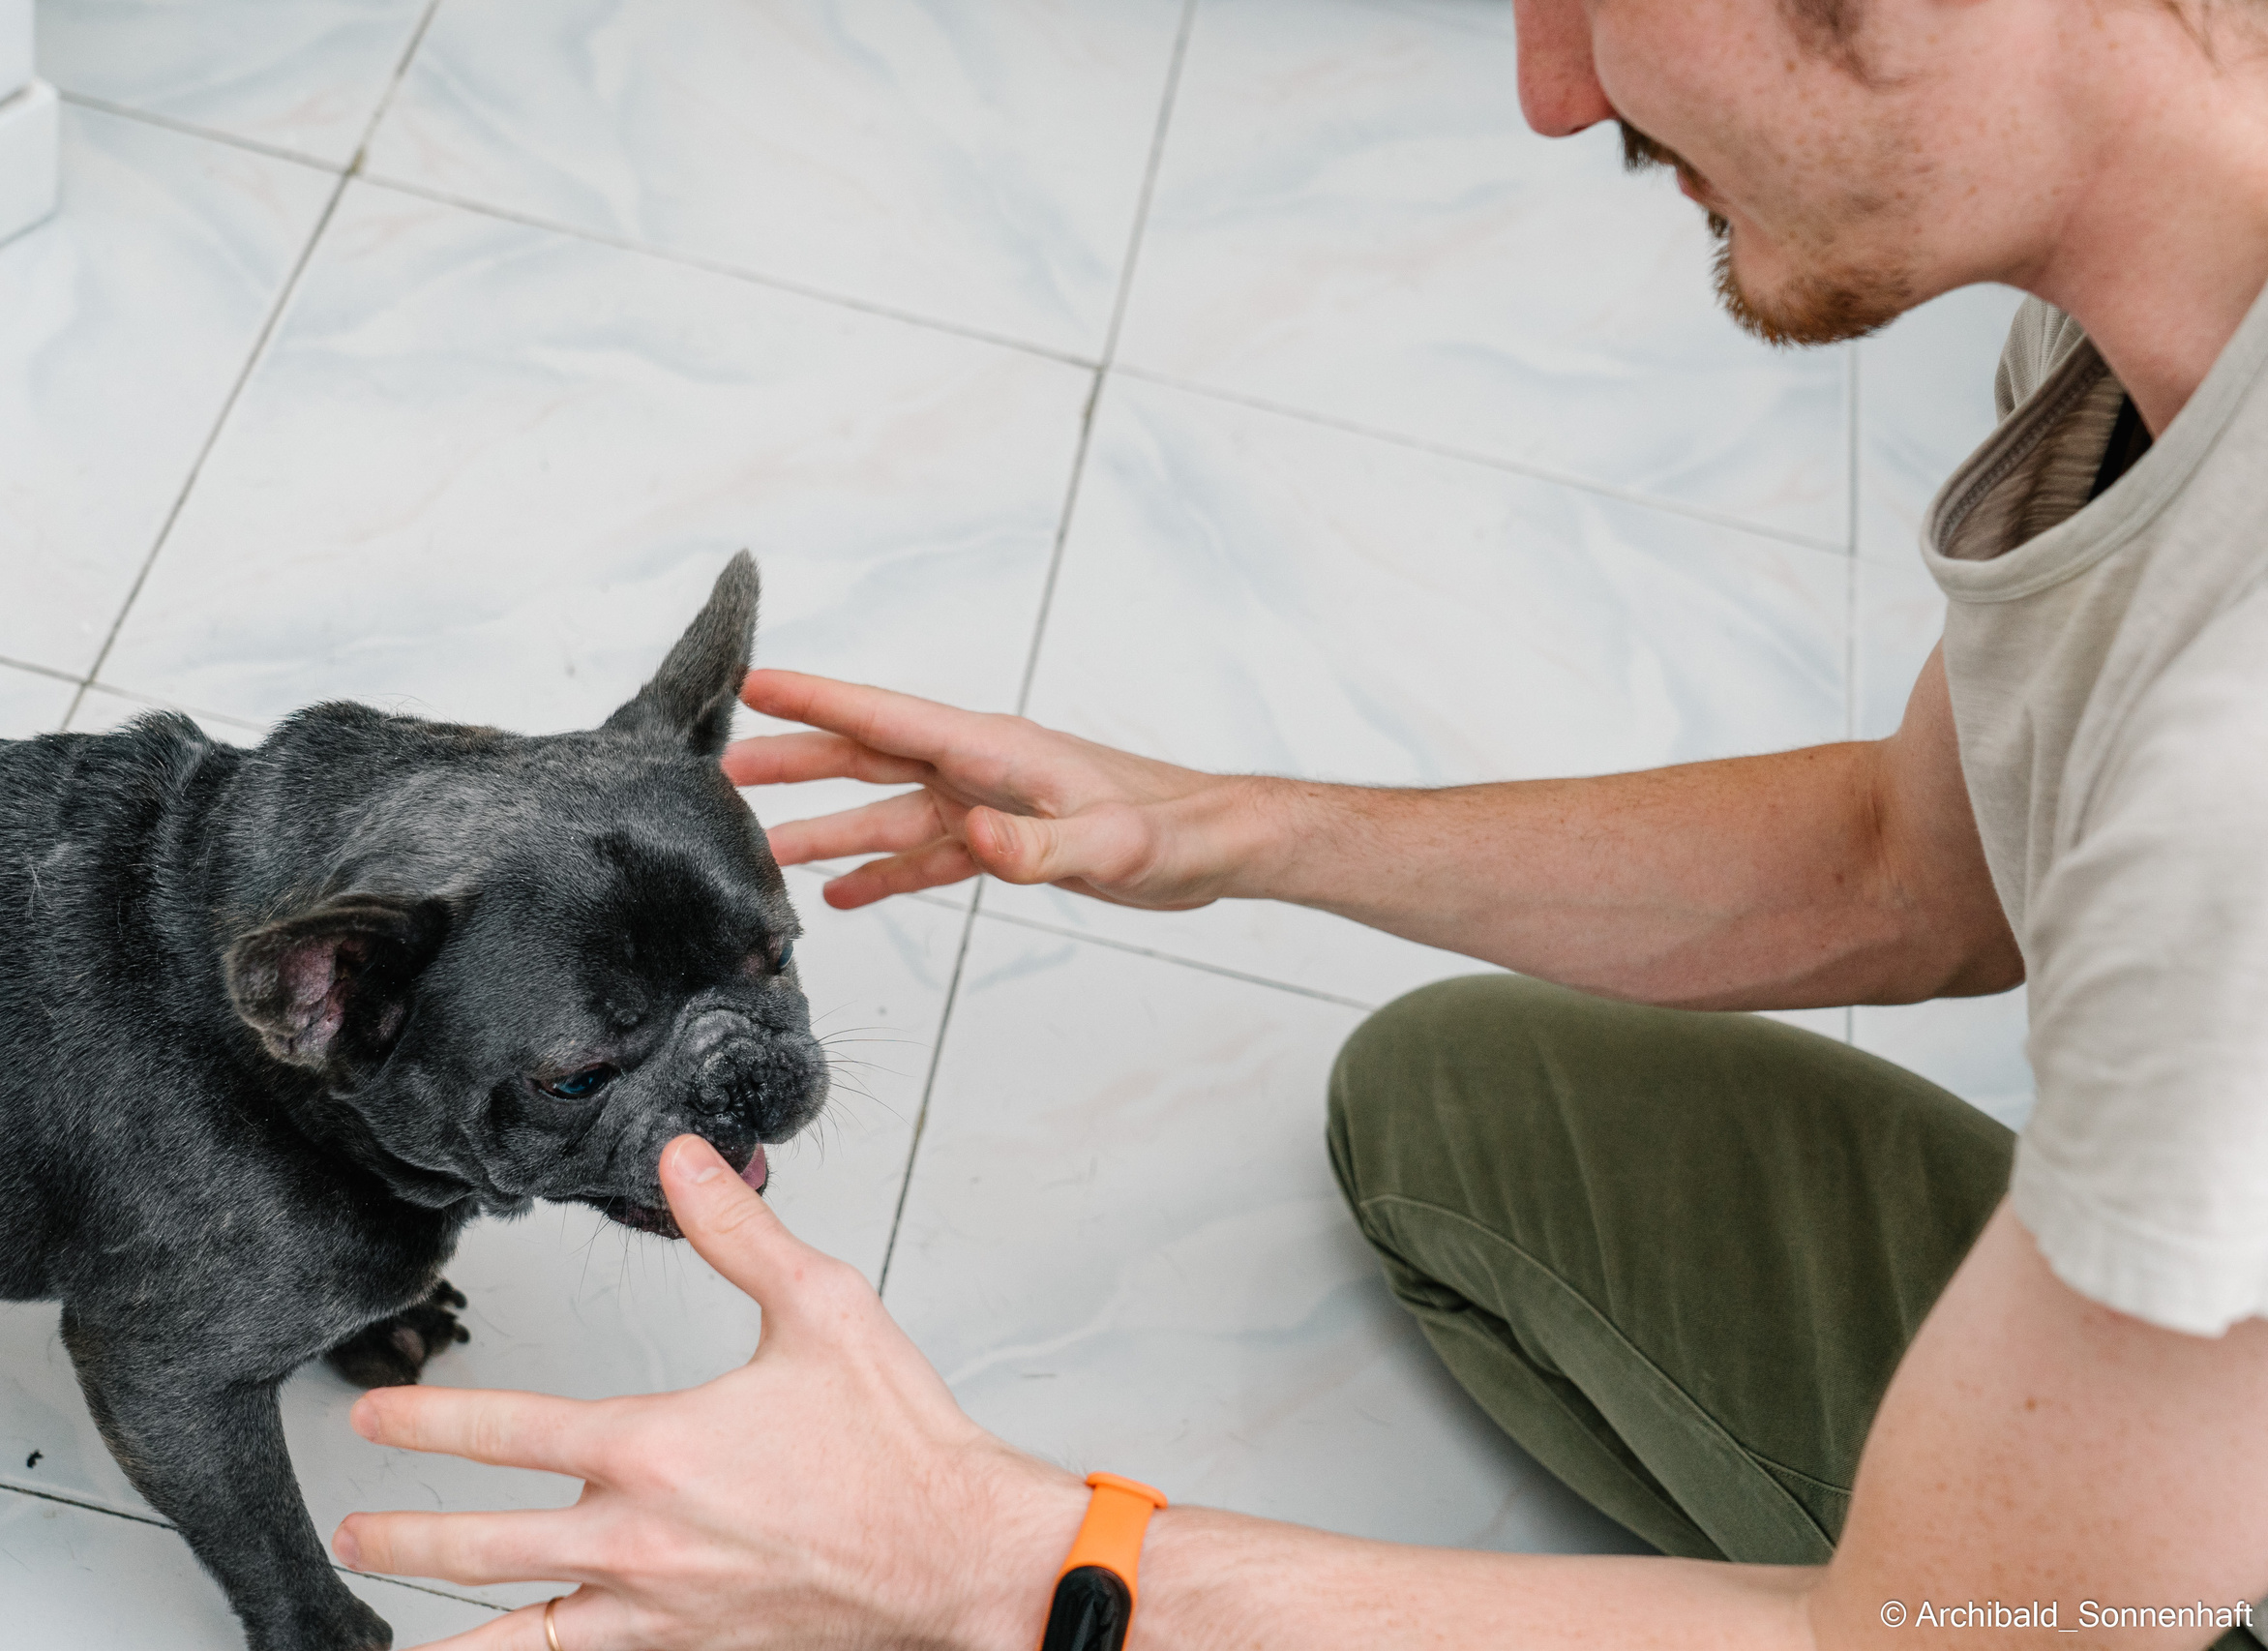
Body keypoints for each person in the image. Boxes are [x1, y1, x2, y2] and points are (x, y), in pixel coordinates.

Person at [330, 0, 2268, 1643]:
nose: (1553, 92)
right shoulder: (2140, 300)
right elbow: (1911, 869)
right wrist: (1224, 827)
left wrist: (990, 1555)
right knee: (1452, 1114)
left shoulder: (2231, 778)